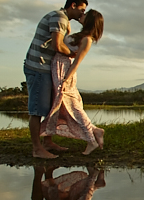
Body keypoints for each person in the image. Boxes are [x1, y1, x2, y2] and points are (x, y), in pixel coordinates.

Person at [24, 0, 88, 159]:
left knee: (50, 106)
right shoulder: (60, 18)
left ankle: (47, 142)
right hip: (38, 66)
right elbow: (57, 45)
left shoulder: (63, 20)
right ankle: (37, 148)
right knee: (37, 109)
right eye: (82, 10)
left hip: (46, 67)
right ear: (73, 5)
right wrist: (73, 54)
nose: (82, 14)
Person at [42, 9, 105, 155]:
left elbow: (76, 62)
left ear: (90, 21)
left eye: (85, 15)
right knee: (63, 104)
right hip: (58, 67)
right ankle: (95, 131)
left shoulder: (87, 40)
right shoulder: (79, 35)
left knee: (72, 106)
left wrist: (65, 80)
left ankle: (91, 140)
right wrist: (69, 27)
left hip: (65, 71)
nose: (82, 15)